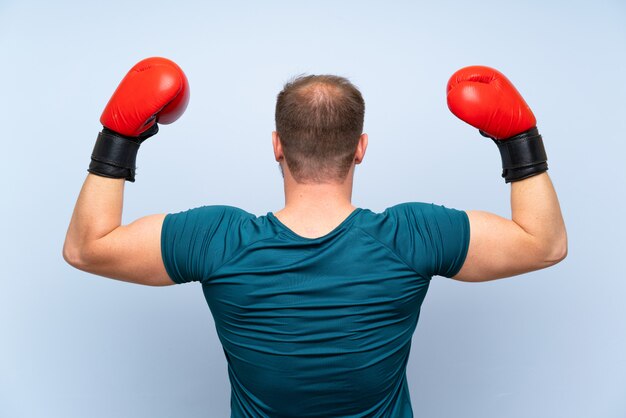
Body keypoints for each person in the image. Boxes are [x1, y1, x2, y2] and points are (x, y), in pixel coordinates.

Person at [63, 57, 567, 417]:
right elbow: (543, 243)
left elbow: (87, 247)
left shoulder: (218, 239)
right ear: (361, 148)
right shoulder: (412, 235)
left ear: (277, 147)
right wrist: (516, 138)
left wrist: (120, 138)